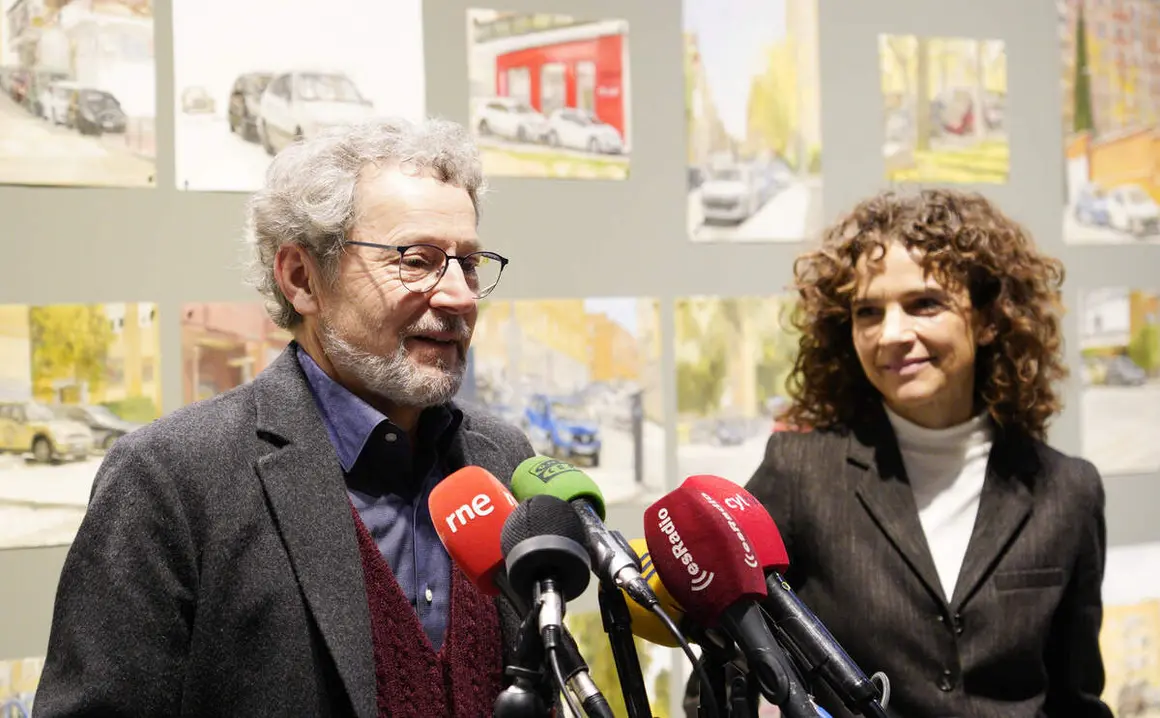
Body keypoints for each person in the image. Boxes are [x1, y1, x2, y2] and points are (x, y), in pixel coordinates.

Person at [34, 118, 536, 717]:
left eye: (470, 264)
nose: (458, 296)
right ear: (302, 278)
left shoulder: (504, 460)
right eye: (418, 260)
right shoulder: (170, 482)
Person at [688, 188, 1113, 718]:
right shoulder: (799, 473)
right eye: (868, 312)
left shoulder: (1067, 490)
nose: (891, 334)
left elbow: (1077, 700)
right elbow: (719, 678)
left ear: (986, 319)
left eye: (924, 304)